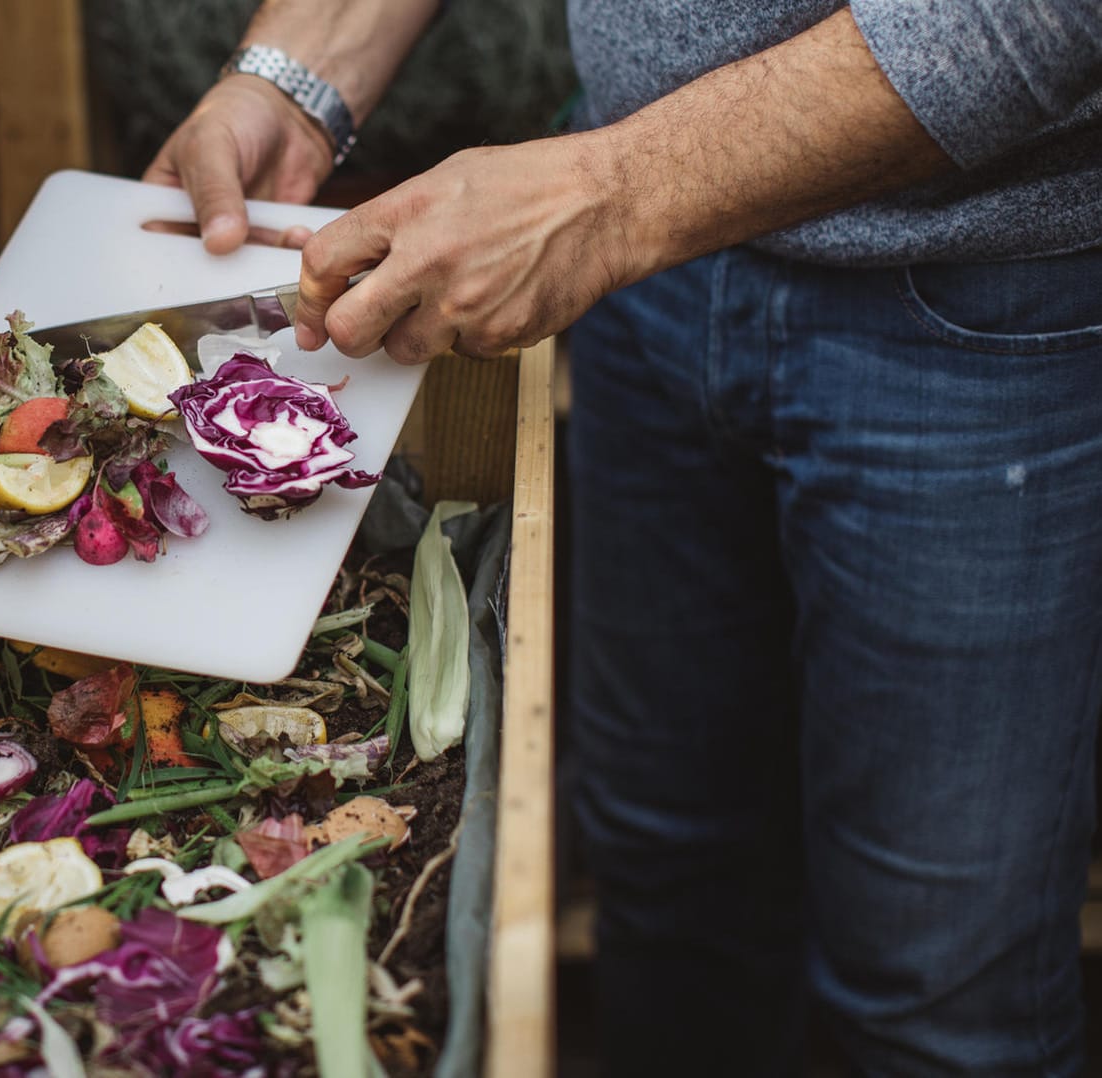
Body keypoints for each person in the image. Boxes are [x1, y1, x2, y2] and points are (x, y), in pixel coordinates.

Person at [146, 1, 1102, 1074]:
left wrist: (607, 197)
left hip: (991, 303)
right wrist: (296, 77)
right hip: (648, 284)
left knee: (936, 987)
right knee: (665, 864)